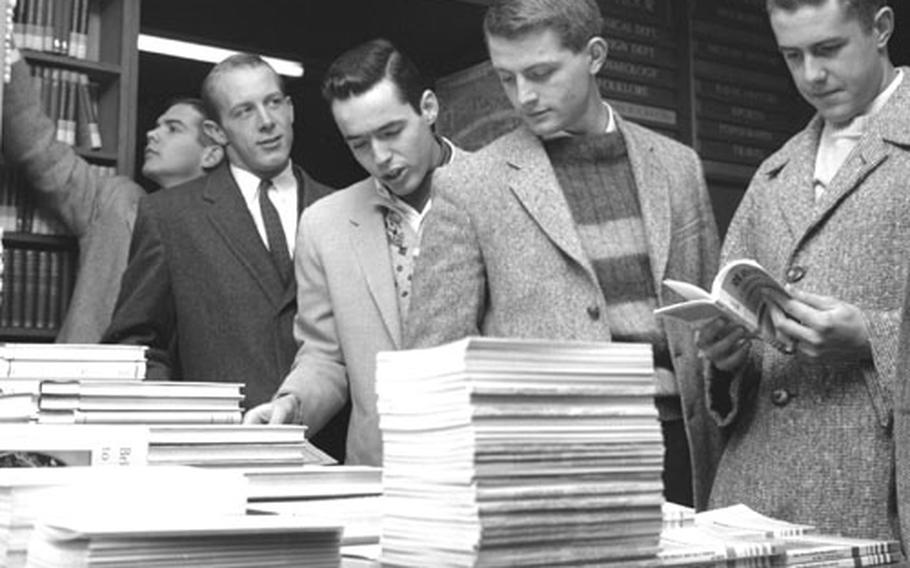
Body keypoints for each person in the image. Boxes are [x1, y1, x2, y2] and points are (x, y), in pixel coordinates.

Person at [404, 0, 723, 509]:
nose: (523, 97)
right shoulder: (470, 185)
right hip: (545, 466)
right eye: (506, 78)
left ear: (594, 55)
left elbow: (713, 332)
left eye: (541, 73)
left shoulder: (679, 168)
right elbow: (433, 360)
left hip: (681, 453)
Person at [696, 0, 908, 540]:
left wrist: (873, 338)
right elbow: (734, 321)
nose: (812, 74)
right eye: (792, 56)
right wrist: (725, 360)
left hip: (871, 491)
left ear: (881, 28)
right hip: (753, 499)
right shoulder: (773, 171)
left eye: (829, 49)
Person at [244, 39, 464, 465]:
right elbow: (325, 356)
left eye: (391, 132)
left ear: (429, 108)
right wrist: (292, 405)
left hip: (491, 469)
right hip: (382, 473)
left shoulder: (501, 192)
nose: (381, 157)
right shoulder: (324, 225)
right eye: (359, 144)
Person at [103, 54, 333, 410]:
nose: (267, 122)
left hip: (333, 448)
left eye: (273, 103)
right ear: (216, 132)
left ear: (290, 109)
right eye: (244, 111)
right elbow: (137, 345)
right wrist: (183, 421)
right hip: (219, 448)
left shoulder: (339, 210)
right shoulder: (170, 216)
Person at [2, 47, 223, 343]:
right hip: (84, 379)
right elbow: (39, 150)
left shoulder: (223, 233)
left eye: (173, 129)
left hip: (166, 384)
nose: (152, 134)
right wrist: (8, 51)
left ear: (210, 154)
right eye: (156, 125)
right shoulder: (117, 201)